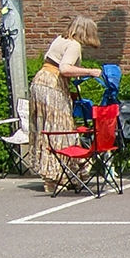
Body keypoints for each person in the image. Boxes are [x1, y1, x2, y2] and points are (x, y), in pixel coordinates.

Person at [29, 15, 103, 192]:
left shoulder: (61, 39)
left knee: (46, 129)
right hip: (53, 84)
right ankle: (55, 178)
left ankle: (55, 173)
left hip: (40, 81)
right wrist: (91, 71)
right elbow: (65, 68)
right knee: (59, 130)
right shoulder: (74, 45)